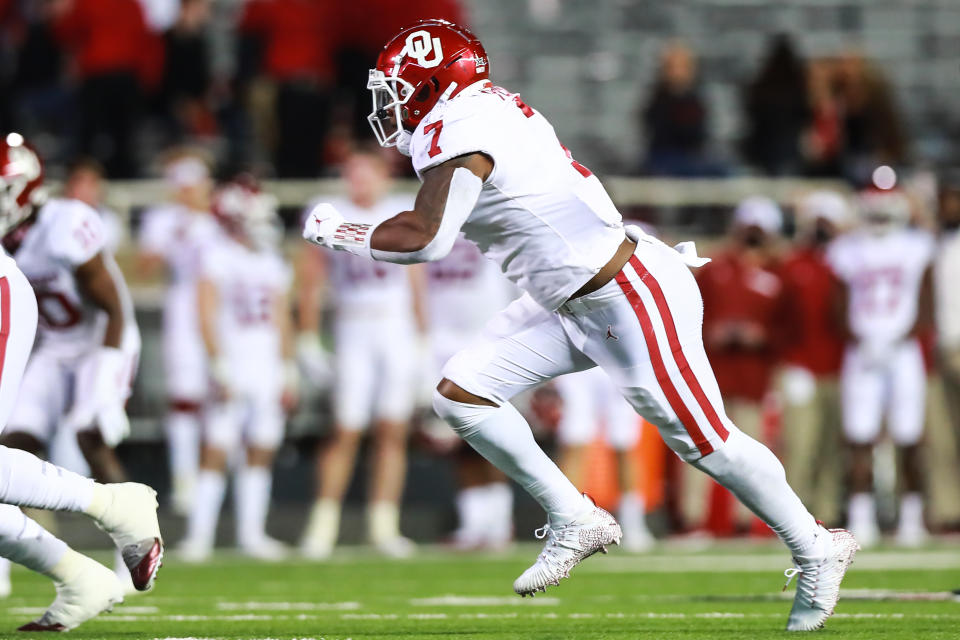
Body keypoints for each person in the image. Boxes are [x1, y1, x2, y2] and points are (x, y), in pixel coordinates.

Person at [302, 20, 858, 631]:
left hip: (627, 295)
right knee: (461, 393)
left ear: (432, 83)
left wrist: (343, 233)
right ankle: (574, 516)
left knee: (708, 445)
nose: (391, 103)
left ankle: (815, 546)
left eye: (399, 88)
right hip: (568, 298)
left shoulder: (458, 129)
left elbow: (428, 240)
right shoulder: (477, 111)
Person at [0, 132, 162, 631]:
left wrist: (108, 378)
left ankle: (119, 521)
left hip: (97, 339)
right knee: (14, 437)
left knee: (89, 428)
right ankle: (54, 567)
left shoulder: (65, 223)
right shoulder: (14, 238)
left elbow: (113, 305)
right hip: (52, 344)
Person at [298, 148, 426, 558]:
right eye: (354, 173)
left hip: (394, 325)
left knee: (393, 429)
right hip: (353, 324)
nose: (361, 182)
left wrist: (424, 337)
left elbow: (416, 276)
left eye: (367, 173)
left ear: (384, 177)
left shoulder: (402, 208)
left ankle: (383, 525)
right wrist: (307, 335)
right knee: (345, 428)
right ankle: (323, 525)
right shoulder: (329, 212)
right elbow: (310, 279)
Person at [179, 177, 296, 561]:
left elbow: (282, 319)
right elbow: (205, 315)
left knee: (261, 448)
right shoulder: (215, 254)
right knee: (217, 447)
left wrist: (288, 368)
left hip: (267, 365)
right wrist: (217, 364)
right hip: (233, 361)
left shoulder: (271, 259)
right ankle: (200, 536)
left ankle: (251, 534)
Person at [827, 180, 935, 547]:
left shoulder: (917, 245)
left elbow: (926, 300)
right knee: (859, 435)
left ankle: (911, 518)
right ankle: (861, 518)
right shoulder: (846, 249)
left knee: (909, 435)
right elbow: (838, 305)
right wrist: (860, 339)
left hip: (903, 351)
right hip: (862, 351)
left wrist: (901, 338)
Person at [694, 197, 787, 536]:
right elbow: (688, 312)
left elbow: (790, 326)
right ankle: (695, 521)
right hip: (713, 372)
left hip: (754, 376)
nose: (752, 238)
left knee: (749, 453)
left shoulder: (779, 273)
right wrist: (710, 333)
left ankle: (745, 521)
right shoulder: (716, 269)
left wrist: (762, 337)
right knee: (700, 447)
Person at [137, 149, 221, 516]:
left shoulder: (223, 218)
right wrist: (175, 237)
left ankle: (213, 480)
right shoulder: (164, 220)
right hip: (184, 309)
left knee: (221, 398)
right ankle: (185, 481)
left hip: (224, 309)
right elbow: (144, 268)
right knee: (185, 398)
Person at [423, 234, 516, 550]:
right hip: (439, 341)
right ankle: (476, 524)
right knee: (456, 437)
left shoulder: (494, 221)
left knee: (491, 430)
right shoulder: (431, 220)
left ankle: (500, 522)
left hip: (487, 338)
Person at [778, 191, 849, 527]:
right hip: (801, 367)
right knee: (801, 446)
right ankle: (795, 518)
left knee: (833, 448)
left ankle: (828, 513)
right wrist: (786, 363)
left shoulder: (849, 263)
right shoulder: (794, 265)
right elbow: (777, 317)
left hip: (841, 367)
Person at [554, 368, 655, 551]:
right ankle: (567, 525)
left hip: (613, 358)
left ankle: (633, 524)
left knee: (624, 445)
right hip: (577, 362)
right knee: (574, 443)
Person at [640, 42, 715, 177]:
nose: (678, 72)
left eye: (682, 67)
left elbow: (699, 134)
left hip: (693, 159)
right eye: (674, 67)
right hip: (664, 159)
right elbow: (661, 133)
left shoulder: (695, 99)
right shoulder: (658, 100)